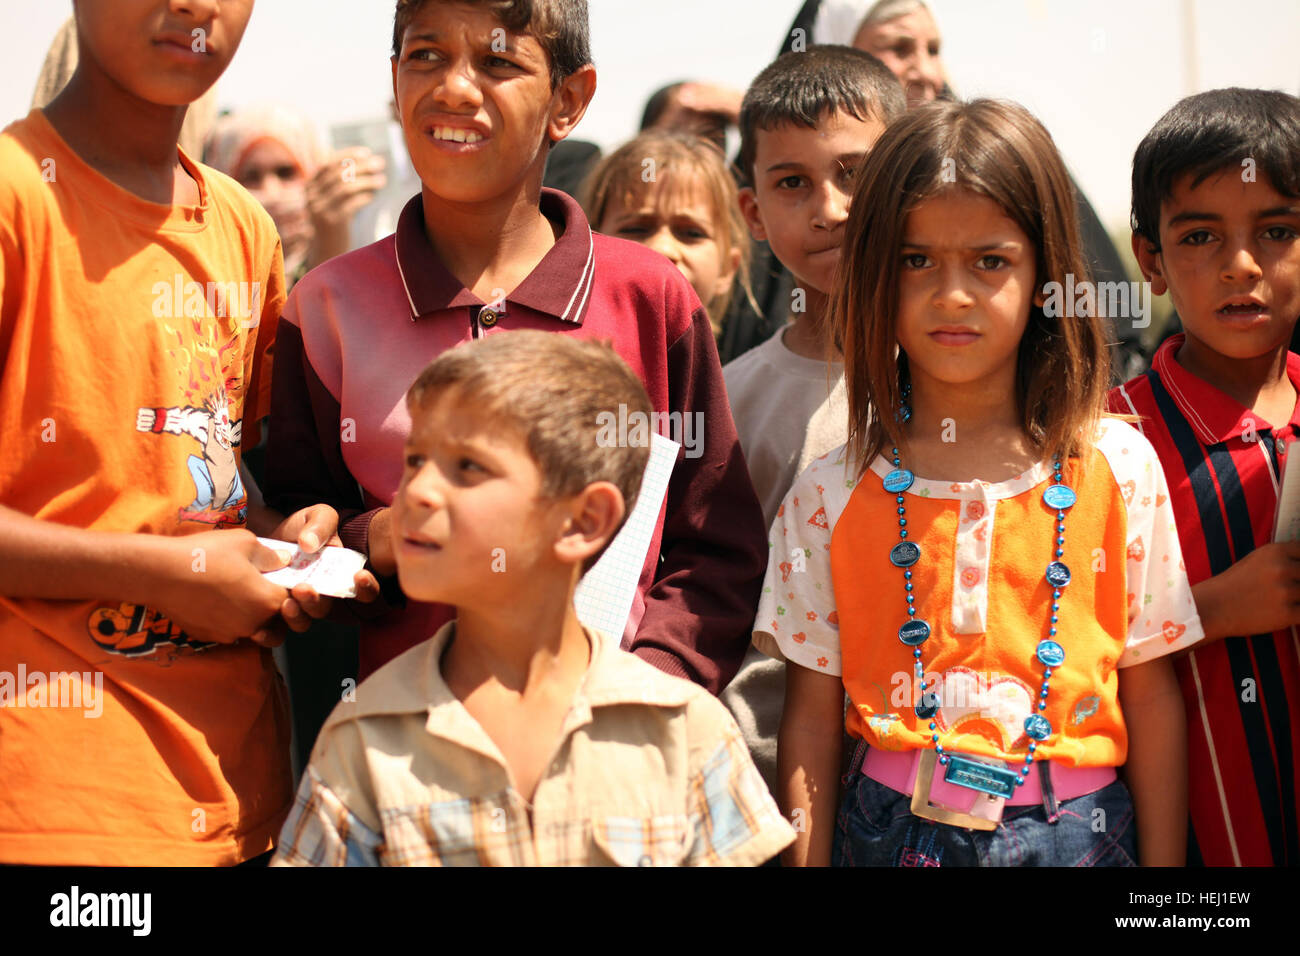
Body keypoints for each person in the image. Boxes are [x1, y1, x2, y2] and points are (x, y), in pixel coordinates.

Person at [264, 0, 767, 693]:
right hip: (407, 749)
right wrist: (366, 542)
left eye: (498, 62)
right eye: (426, 56)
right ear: (394, 77)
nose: (455, 88)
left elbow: (714, 545)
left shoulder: (650, 299)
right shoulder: (325, 309)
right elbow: (295, 523)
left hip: (612, 748)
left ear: (569, 100)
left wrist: (646, 687)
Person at [763, 98, 1202, 867]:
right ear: (874, 273)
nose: (953, 293)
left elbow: (1153, 695)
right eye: (916, 259)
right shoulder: (831, 491)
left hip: (1087, 834)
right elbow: (810, 717)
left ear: (1044, 275)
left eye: (990, 260)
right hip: (885, 831)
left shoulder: (1119, 467)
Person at [0, 0, 368, 866]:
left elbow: (209, 479)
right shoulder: (17, 199)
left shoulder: (243, 228)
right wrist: (174, 575)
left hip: (241, 795)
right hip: (59, 804)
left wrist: (284, 543)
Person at [271, 333, 794, 866]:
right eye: (415, 461)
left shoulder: (684, 731)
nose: (418, 493)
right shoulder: (365, 739)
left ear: (584, 521)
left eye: (468, 467)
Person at [1109, 88, 1300, 866]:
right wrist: (1209, 611)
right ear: (1149, 259)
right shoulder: (1109, 445)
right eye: (1199, 236)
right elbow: (1047, 647)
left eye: (1278, 231)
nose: (1242, 265)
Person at [771, 0, 1143, 383]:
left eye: (933, 50)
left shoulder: (999, 164)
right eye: (899, 49)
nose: (928, 73)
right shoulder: (800, 218)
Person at [719, 45, 904, 796]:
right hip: (764, 779)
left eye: (856, 174)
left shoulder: (973, 377)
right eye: (792, 183)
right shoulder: (727, 402)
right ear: (753, 214)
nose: (830, 210)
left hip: (932, 780)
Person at [582, 129, 748, 341]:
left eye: (691, 233)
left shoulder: (744, 374)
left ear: (727, 268)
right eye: (636, 229)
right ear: (588, 245)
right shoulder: (557, 367)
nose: (662, 249)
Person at [204, 106, 387, 289]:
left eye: (285, 173)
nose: (271, 192)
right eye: (251, 177)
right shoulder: (206, 280)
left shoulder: (364, 253)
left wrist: (329, 240)